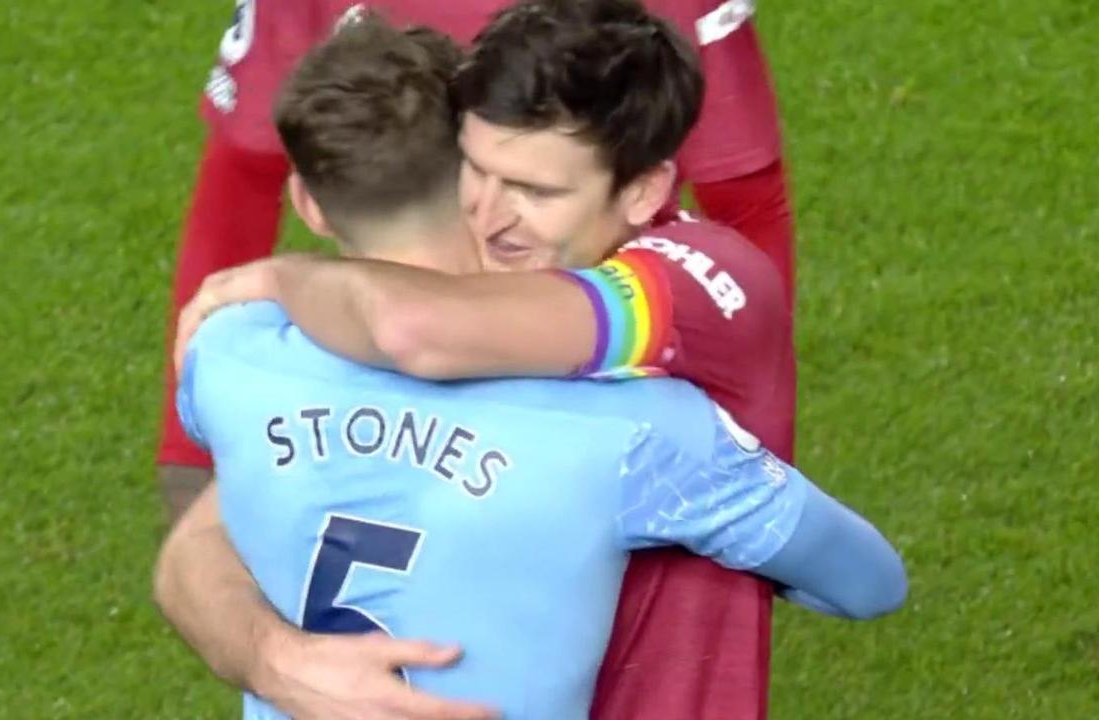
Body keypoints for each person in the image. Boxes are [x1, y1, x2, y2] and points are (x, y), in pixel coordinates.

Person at [157, 3, 888, 719]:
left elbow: (416, 329)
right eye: (475, 172)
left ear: (642, 190)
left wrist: (280, 278)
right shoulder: (381, 335)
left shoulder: (696, 281)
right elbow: (194, 552)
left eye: (536, 191)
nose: (490, 216)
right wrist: (275, 660)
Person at [159, 0, 796, 522]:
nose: (491, 210)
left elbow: (746, 200)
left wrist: (755, 445)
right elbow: (240, 180)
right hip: (399, 398)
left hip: (616, 368)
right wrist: (191, 449)